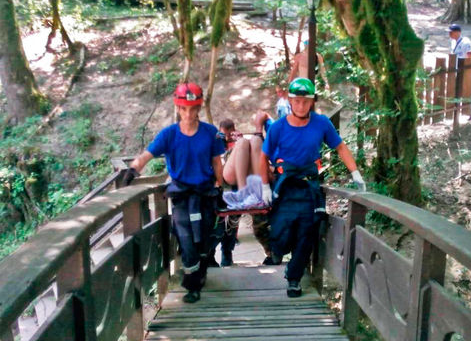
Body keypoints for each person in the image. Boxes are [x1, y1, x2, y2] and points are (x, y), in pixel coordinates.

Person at [259, 78, 366, 298]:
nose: (301, 106)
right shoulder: (278, 127)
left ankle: (294, 278)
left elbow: (340, 147)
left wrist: (355, 173)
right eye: (297, 101)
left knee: (306, 233)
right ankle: (278, 253)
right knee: (280, 232)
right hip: (285, 187)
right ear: (290, 101)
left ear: (311, 102)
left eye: (305, 101)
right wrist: (264, 187)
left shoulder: (321, 123)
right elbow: (263, 156)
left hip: (309, 187)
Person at [123, 82, 224, 304]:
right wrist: (133, 170)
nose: (188, 114)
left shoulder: (211, 133)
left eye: (193, 109)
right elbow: (147, 155)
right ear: (178, 108)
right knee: (186, 239)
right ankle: (192, 286)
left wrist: (221, 187)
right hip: (181, 194)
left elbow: (217, 162)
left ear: (199, 108)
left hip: (205, 193)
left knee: (204, 240)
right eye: (184, 109)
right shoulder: (168, 135)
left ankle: (201, 272)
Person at [217, 118, 275, 266]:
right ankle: (226, 253)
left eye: (230, 133)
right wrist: (231, 143)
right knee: (230, 223)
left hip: (254, 182)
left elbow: (268, 164)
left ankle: (271, 253)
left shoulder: (250, 142)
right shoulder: (223, 142)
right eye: (225, 134)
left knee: (254, 140)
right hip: (234, 181)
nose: (229, 136)